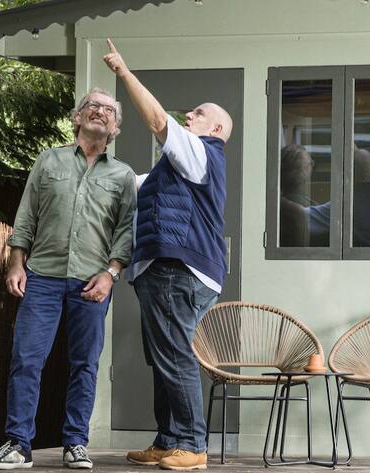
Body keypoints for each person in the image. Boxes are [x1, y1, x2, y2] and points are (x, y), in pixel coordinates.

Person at [0, 88, 136, 470]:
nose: (99, 112)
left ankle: (75, 444)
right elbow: (27, 216)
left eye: (108, 109)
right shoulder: (48, 162)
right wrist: (16, 264)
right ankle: (18, 444)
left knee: (84, 363)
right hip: (42, 277)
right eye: (92, 106)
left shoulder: (122, 175)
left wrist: (111, 274)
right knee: (27, 359)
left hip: (92, 283)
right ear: (77, 117)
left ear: (115, 126)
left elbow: (126, 231)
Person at [103, 39, 233, 471]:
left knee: (174, 354)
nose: (188, 116)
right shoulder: (174, 167)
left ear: (213, 129)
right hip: (168, 272)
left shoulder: (201, 153)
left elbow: (158, 120)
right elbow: (128, 186)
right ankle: (168, 440)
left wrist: (123, 73)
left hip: (180, 270)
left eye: (197, 113)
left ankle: (193, 446)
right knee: (162, 355)